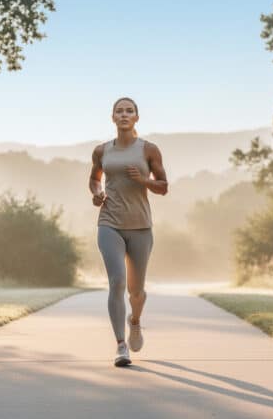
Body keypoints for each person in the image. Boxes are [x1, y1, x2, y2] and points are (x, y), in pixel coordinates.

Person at [89, 97, 168, 367]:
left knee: (137, 292)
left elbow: (163, 186)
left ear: (136, 117)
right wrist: (97, 193)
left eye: (129, 111)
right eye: (119, 111)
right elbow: (94, 179)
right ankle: (121, 346)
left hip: (141, 226)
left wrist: (143, 180)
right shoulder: (102, 150)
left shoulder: (149, 149)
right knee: (117, 282)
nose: (124, 115)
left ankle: (134, 320)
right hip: (109, 222)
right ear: (113, 117)